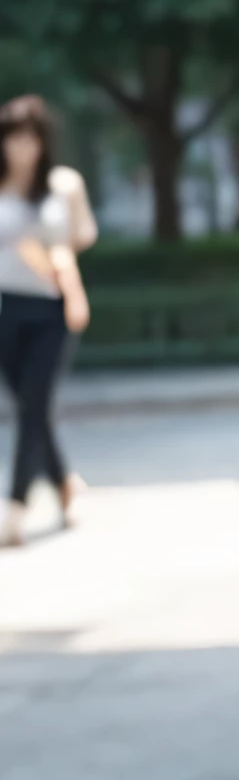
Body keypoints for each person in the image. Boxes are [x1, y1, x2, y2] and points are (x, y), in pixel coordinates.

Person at [0, 94, 95, 546]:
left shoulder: (63, 185)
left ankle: (15, 506)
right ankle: (65, 485)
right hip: (4, 307)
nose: (23, 148)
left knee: (35, 405)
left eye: (31, 138)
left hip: (50, 305)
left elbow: (83, 234)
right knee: (30, 408)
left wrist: (55, 254)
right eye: (15, 138)